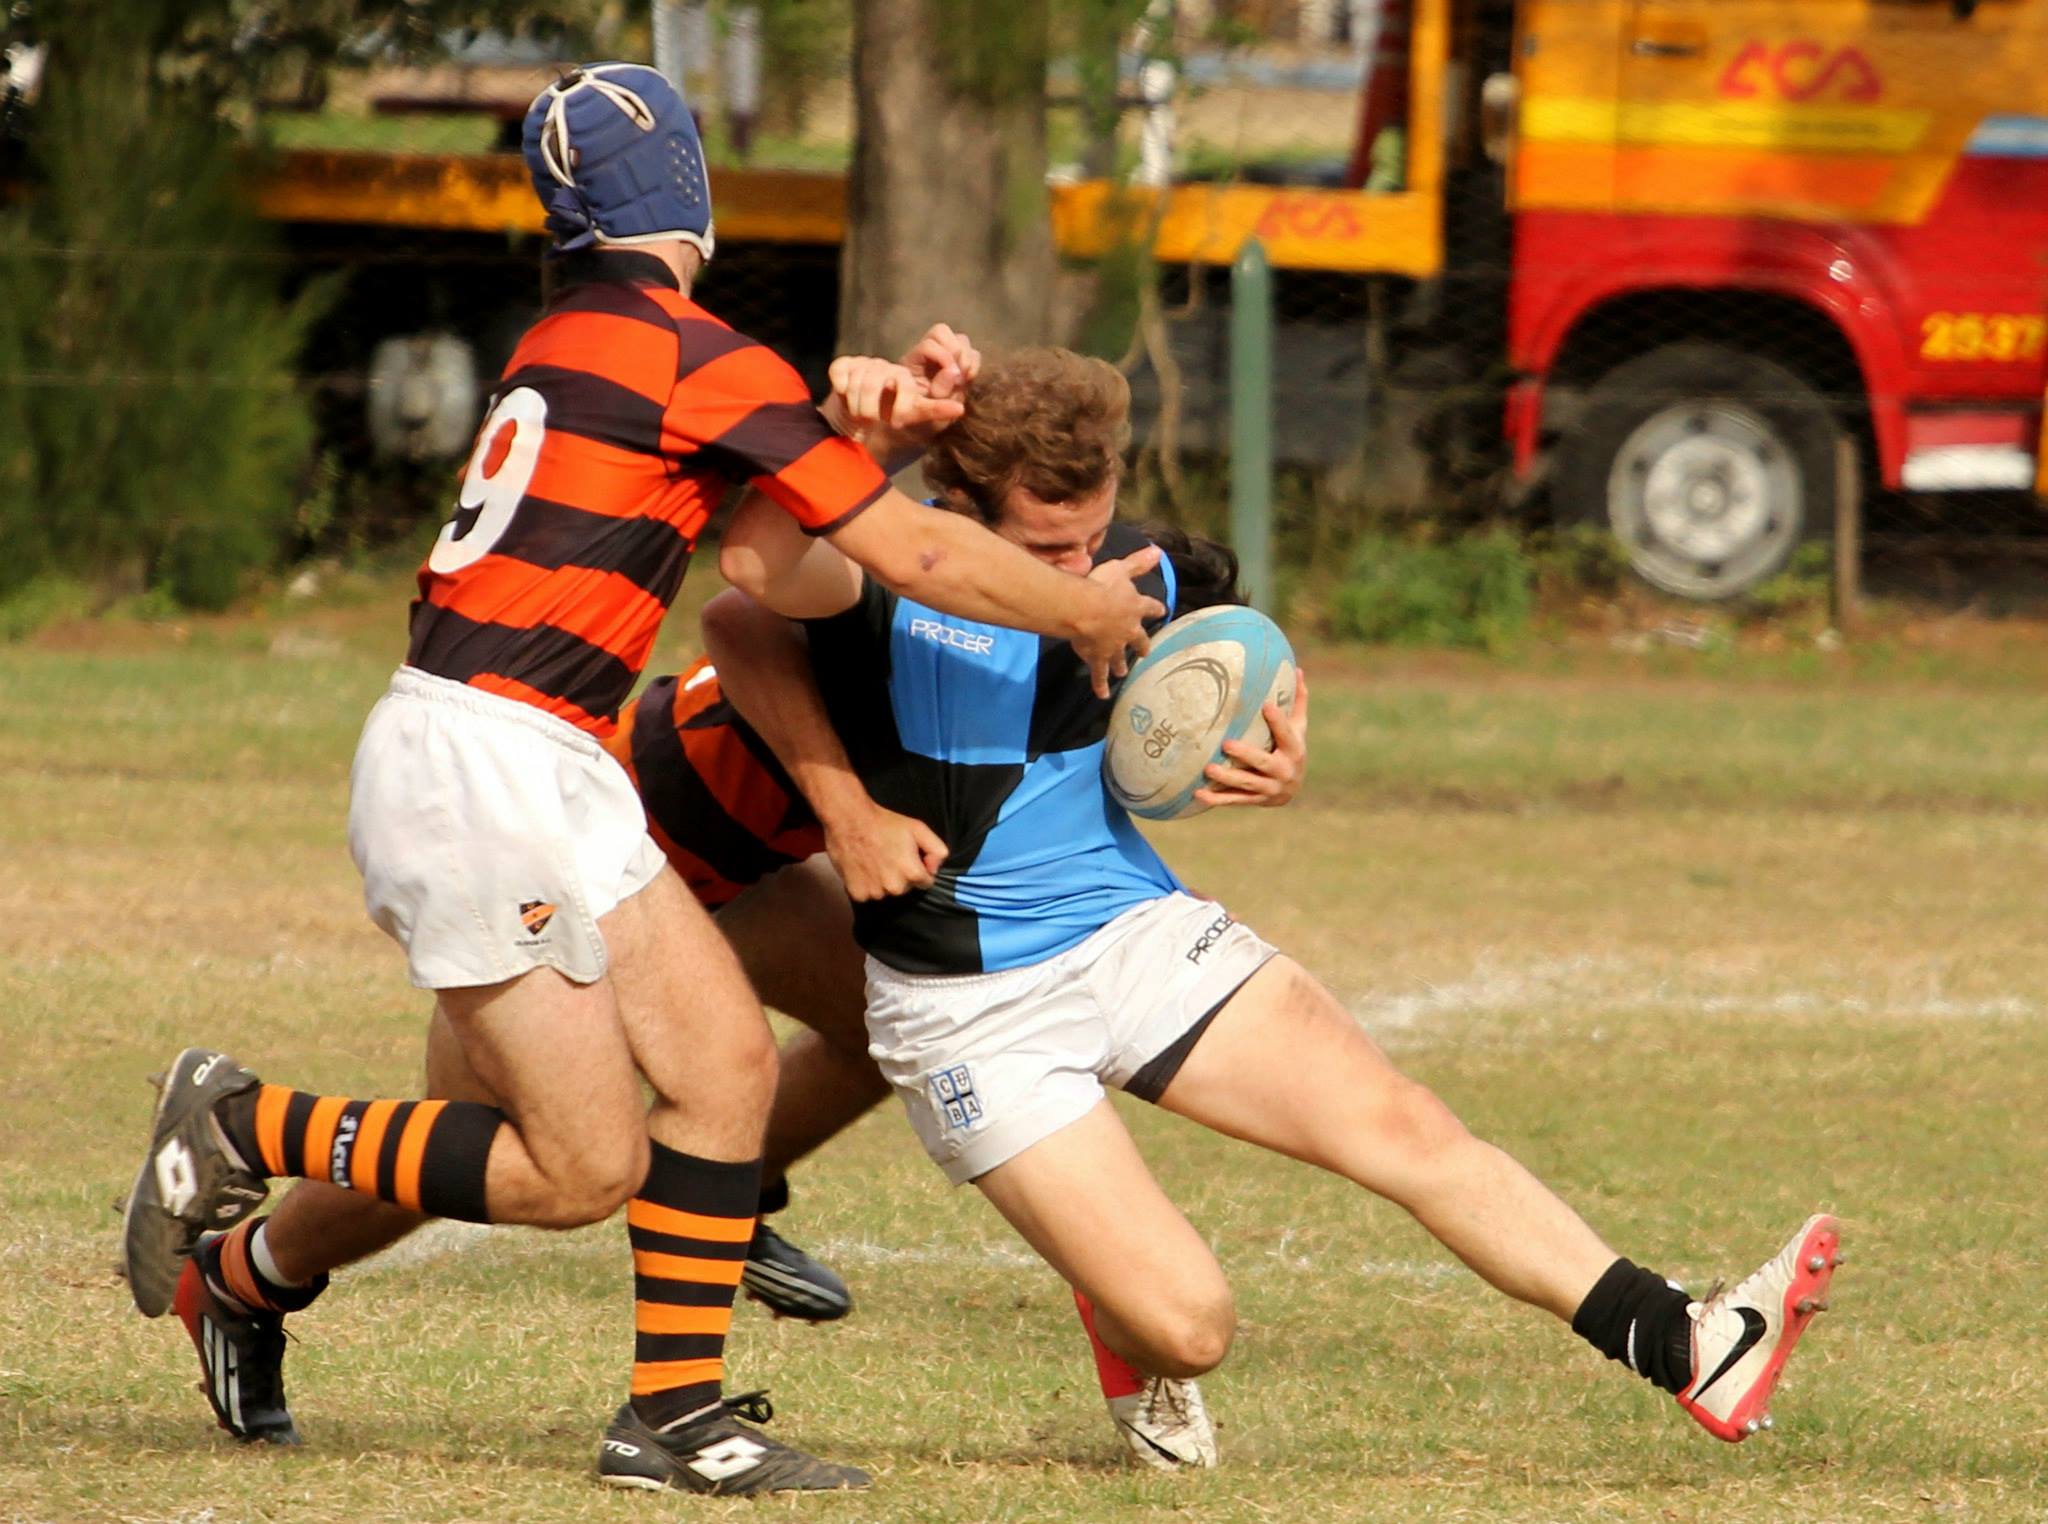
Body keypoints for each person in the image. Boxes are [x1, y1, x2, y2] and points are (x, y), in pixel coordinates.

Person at [118, 63, 1164, 1498]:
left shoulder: (581, 336)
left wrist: (874, 431)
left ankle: (671, 1418)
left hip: (549, 757)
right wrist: (1085, 612)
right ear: (694, 192)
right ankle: (240, 1123)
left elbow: (765, 520)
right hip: (490, 759)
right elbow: (905, 554)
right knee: (573, 1171)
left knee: (729, 1066)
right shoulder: (691, 349)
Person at [711, 344, 1846, 1459]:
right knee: (1186, 1328)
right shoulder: (874, 579)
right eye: (1044, 548)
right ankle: (1123, 1318)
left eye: (1091, 536)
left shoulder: (1140, 567)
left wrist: (1275, 740)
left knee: (1404, 1126)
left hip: (1133, 930)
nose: (1079, 571)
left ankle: (1687, 1341)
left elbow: (1237, 648)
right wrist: (846, 438)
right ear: (954, 504)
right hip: (967, 1004)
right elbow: (749, 582)